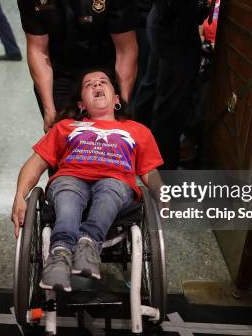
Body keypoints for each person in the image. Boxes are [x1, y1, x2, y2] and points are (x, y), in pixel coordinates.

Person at [11, 69, 163, 291]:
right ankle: (60, 254)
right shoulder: (65, 127)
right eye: (89, 84)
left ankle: (88, 245)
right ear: (82, 104)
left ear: (116, 99)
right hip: (70, 177)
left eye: (103, 82)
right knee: (68, 193)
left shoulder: (137, 131)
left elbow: (149, 172)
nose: (96, 85)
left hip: (115, 180)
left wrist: (163, 195)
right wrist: (19, 196)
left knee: (110, 187)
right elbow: (35, 163)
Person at [12, 0, 139, 132]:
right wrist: (49, 110)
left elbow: (126, 49)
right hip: (61, 71)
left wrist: (121, 104)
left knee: (110, 141)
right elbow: (37, 49)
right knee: (63, 140)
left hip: (106, 69)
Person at [134, 0, 218, 169]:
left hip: (163, 15)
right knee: (171, 108)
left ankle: (140, 155)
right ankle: (161, 176)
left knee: (152, 92)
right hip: (174, 22)